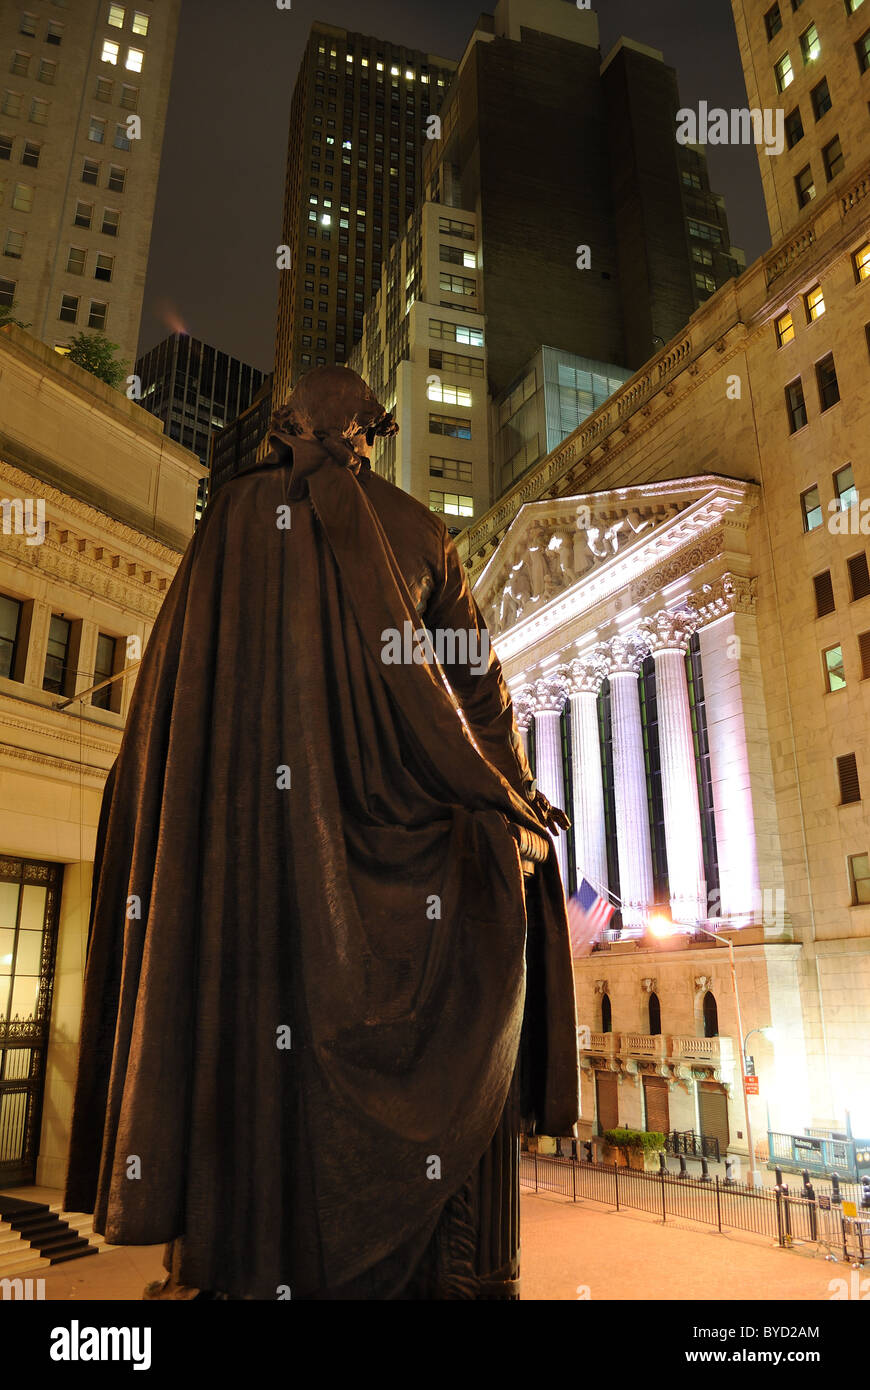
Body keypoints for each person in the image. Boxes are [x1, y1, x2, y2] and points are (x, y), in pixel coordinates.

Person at [64, 364, 579, 1300]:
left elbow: (167, 713)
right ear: (369, 435)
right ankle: (439, 1254)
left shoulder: (224, 528)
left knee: (256, 1039)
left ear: (285, 428)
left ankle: (249, 1258)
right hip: (398, 869)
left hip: (250, 871)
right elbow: (483, 700)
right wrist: (515, 800)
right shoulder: (421, 530)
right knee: (498, 901)